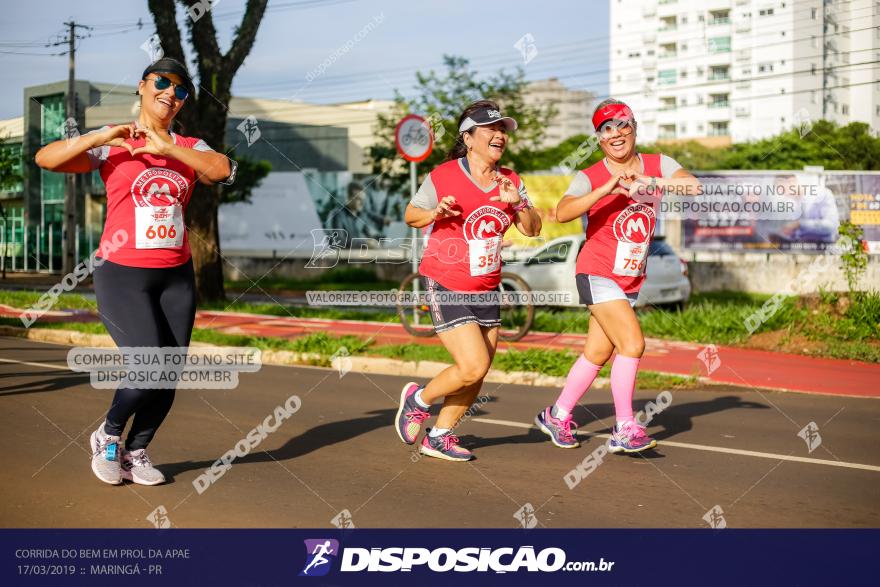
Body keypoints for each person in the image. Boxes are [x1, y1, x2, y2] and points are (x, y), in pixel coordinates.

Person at [35, 58, 236, 485]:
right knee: (147, 366)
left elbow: (222, 169)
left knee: (168, 374)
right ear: (142, 87)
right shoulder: (114, 145)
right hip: (123, 273)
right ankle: (107, 435)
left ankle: (136, 451)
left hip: (176, 277)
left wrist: (165, 148)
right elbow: (46, 159)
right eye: (162, 82)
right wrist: (104, 134)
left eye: (180, 89)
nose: (170, 93)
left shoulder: (190, 147)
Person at [534, 98, 700, 453]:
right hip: (596, 271)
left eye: (622, 124)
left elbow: (693, 186)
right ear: (599, 139)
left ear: (633, 128)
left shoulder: (658, 164)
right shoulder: (590, 175)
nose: (616, 133)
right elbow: (562, 212)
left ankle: (557, 414)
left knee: (596, 352)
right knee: (633, 344)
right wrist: (605, 188)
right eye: (606, 129)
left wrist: (649, 180)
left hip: (630, 279)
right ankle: (625, 427)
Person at [394, 100, 542, 461]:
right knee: (472, 364)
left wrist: (518, 203)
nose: (499, 135)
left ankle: (440, 436)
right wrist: (436, 212)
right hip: (447, 280)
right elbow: (412, 215)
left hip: (487, 286)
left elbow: (534, 229)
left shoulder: (512, 180)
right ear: (469, 137)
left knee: (477, 372)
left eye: (503, 130)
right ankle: (418, 400)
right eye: (491, 129)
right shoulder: (444, 175)